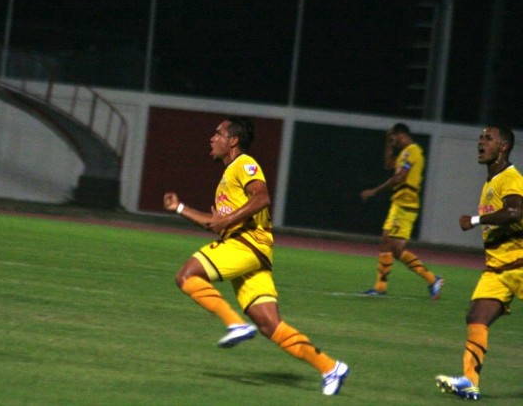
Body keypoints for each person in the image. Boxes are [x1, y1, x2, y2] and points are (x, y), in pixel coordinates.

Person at [163, 117, 349, 396]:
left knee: (186, 276)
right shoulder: (227, 176)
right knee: (269, 325)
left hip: (246, 245)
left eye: (218, 134)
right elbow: (215, 224)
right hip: (248, 252)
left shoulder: (244, 164)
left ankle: (234, 322)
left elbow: (261, 197)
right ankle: (330, 367)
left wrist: (228, 221)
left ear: (233, 141)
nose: (211, 139)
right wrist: (179, 208)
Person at [435, 125, 523, 401]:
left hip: (519, 266)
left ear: (504, 147)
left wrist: (474, 220)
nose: (480, 142)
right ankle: (469, 383)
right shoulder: (490, 182)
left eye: (488, 138)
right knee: (476, 316)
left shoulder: (510, 178)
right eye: (480, 137)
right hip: (497, 271)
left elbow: (515, 211)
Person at [360, 123, 443, 298]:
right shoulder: (403, 154)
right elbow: (388, 164)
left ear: (402, 134)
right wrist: (389, 145)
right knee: (388, 244)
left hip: (406, 204)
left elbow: (399, 177)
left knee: (393, 246)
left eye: (394, 137)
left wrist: (374, 191)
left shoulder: (412, 151)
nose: (394, 141)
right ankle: (382, 286)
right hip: (398, 203)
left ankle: (430, 279)